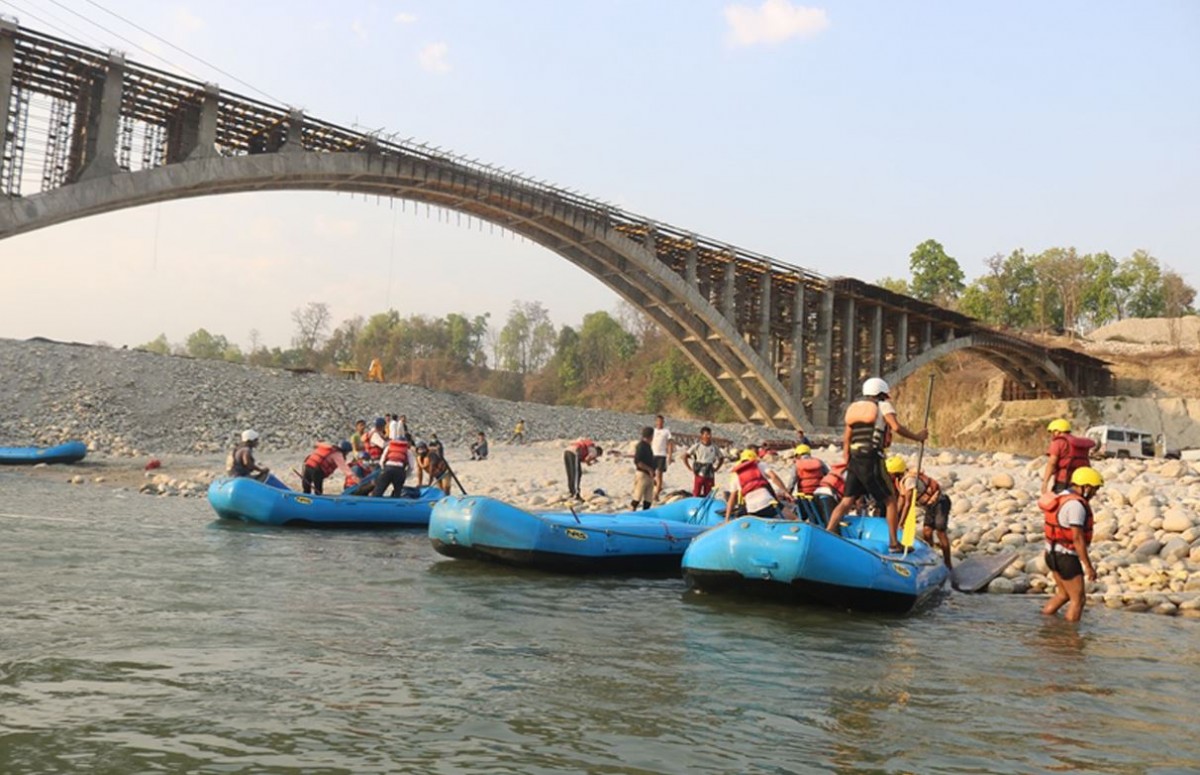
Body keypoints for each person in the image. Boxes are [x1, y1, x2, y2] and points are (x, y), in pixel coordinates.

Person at [824, 377, 929, 553]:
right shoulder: (883, 405)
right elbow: (895, 427)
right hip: (872, 458)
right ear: (881, 393)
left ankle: (828, 532)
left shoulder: (855, 409)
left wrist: (847, 460)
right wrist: (918, 437)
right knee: (891, 501)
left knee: (847, 499)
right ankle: (894, 544)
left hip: (854, 458)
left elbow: (847, 438)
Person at [1040, 466, 1102, 622]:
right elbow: (1077, 538)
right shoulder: (1076, 506)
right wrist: (1088, 566)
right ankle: (1070, 639)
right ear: (1085, 487)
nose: (1094, 493)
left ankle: (1045, 624)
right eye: (1094, 489)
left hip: (1051, 554)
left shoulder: (1061, 496)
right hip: (1066, 558)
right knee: (1078, 600)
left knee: (1063, 594)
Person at [891, 456, 953, 567]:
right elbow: (901, 501)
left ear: (895, 472)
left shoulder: (909, 480)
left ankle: (948, 562)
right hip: (929, 506)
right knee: (927, 532)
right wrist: (895, 516)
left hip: (940, 502)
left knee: (940, 531)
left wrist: (901, 523)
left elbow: (908, 504)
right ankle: (931, 557)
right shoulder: (899, 481)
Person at [724, 449, 794, 521]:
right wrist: (785, 491)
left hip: (752, 509)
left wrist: (727, 518)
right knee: (794, 518)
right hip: (767, 503)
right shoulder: (760, 465)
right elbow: (774, 477)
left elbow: (731, 499)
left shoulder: (736, 475)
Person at [1040, 419, 1094, 494]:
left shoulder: (1058, 442)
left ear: (1057, 431)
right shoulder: (1076, 443)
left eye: (1053, 432)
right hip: (1080, 482)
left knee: (1060, 502)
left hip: (1063, 480)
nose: (1052, 434)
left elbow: (1052, 463)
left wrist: (1045, 482)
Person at [682, 426, 725, 497]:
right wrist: (689, 468)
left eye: (710, 434)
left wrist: (717, 468)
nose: (709, 436)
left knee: (709, 493)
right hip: (699, 470)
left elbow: (721, 458)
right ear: (702, 436)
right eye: (706, 434)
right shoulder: (697, 446)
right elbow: (685, 456)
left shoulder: (714, 447)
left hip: (709, 472)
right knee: (696, 492)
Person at [372, 433, 417, 497]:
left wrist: (383, 469)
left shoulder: (389, 447)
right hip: (399, 471)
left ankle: (374, 501)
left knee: (379, 489)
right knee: (397, 491)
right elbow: (412, 466)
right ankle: (395, 502)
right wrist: (406, 474)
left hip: (388, 468)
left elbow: (381, 462)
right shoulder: (407, 450)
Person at [631, 426, 657, 510]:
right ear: (650, 436)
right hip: (642, 474)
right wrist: (649, 469)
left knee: (648, 499)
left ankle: (645, 514)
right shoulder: (641, 446)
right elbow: (638, 462)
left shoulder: (648, 446)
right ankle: (631, 512)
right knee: (637, 496)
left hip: (649, 475)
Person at [650, 414, 674, 500]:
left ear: (663, 422)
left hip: (662, 455)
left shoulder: (666, 431)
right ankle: (657, 488)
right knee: (651, 475)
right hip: (653, 454)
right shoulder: (653, 431)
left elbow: (670, 444)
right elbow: (649, 442)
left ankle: (656, 494)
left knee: (659, 475)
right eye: (658, 421)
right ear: (655, 422)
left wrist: (670, 455)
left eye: (661, 421)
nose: (659, 423)